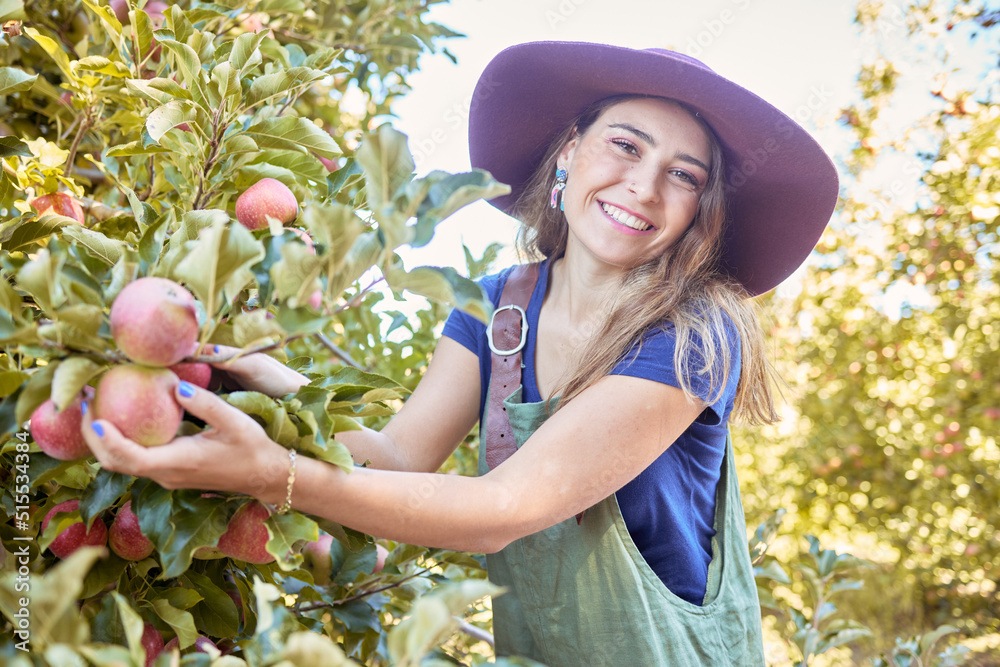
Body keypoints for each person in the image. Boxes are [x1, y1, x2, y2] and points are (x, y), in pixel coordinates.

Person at [82, 42, 838, 665]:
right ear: (570, 152)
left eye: (684, 174)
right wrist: (272, 385)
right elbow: (398, 460)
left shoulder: (697, 332)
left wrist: (273, 475)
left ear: (699, 211)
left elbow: (502, 510)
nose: (643, 185)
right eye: (625, 144)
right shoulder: (497, 309)